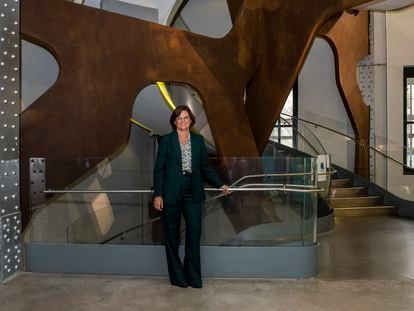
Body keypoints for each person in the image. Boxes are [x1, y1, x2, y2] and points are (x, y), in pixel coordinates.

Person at [153, 105, 229, 288]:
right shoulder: (166, 141)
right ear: (174, 122)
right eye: (179, 118)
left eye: (186, 118)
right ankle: (177, 277)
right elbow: (159, 169)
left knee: (194, 232)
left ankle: (193, 275)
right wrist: (158, 194)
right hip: (171, 193)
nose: (182, 121)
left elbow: (205, 168)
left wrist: (220, 184)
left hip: (192, 192)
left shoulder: (198, 140)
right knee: (171, 236)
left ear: (191, 120)